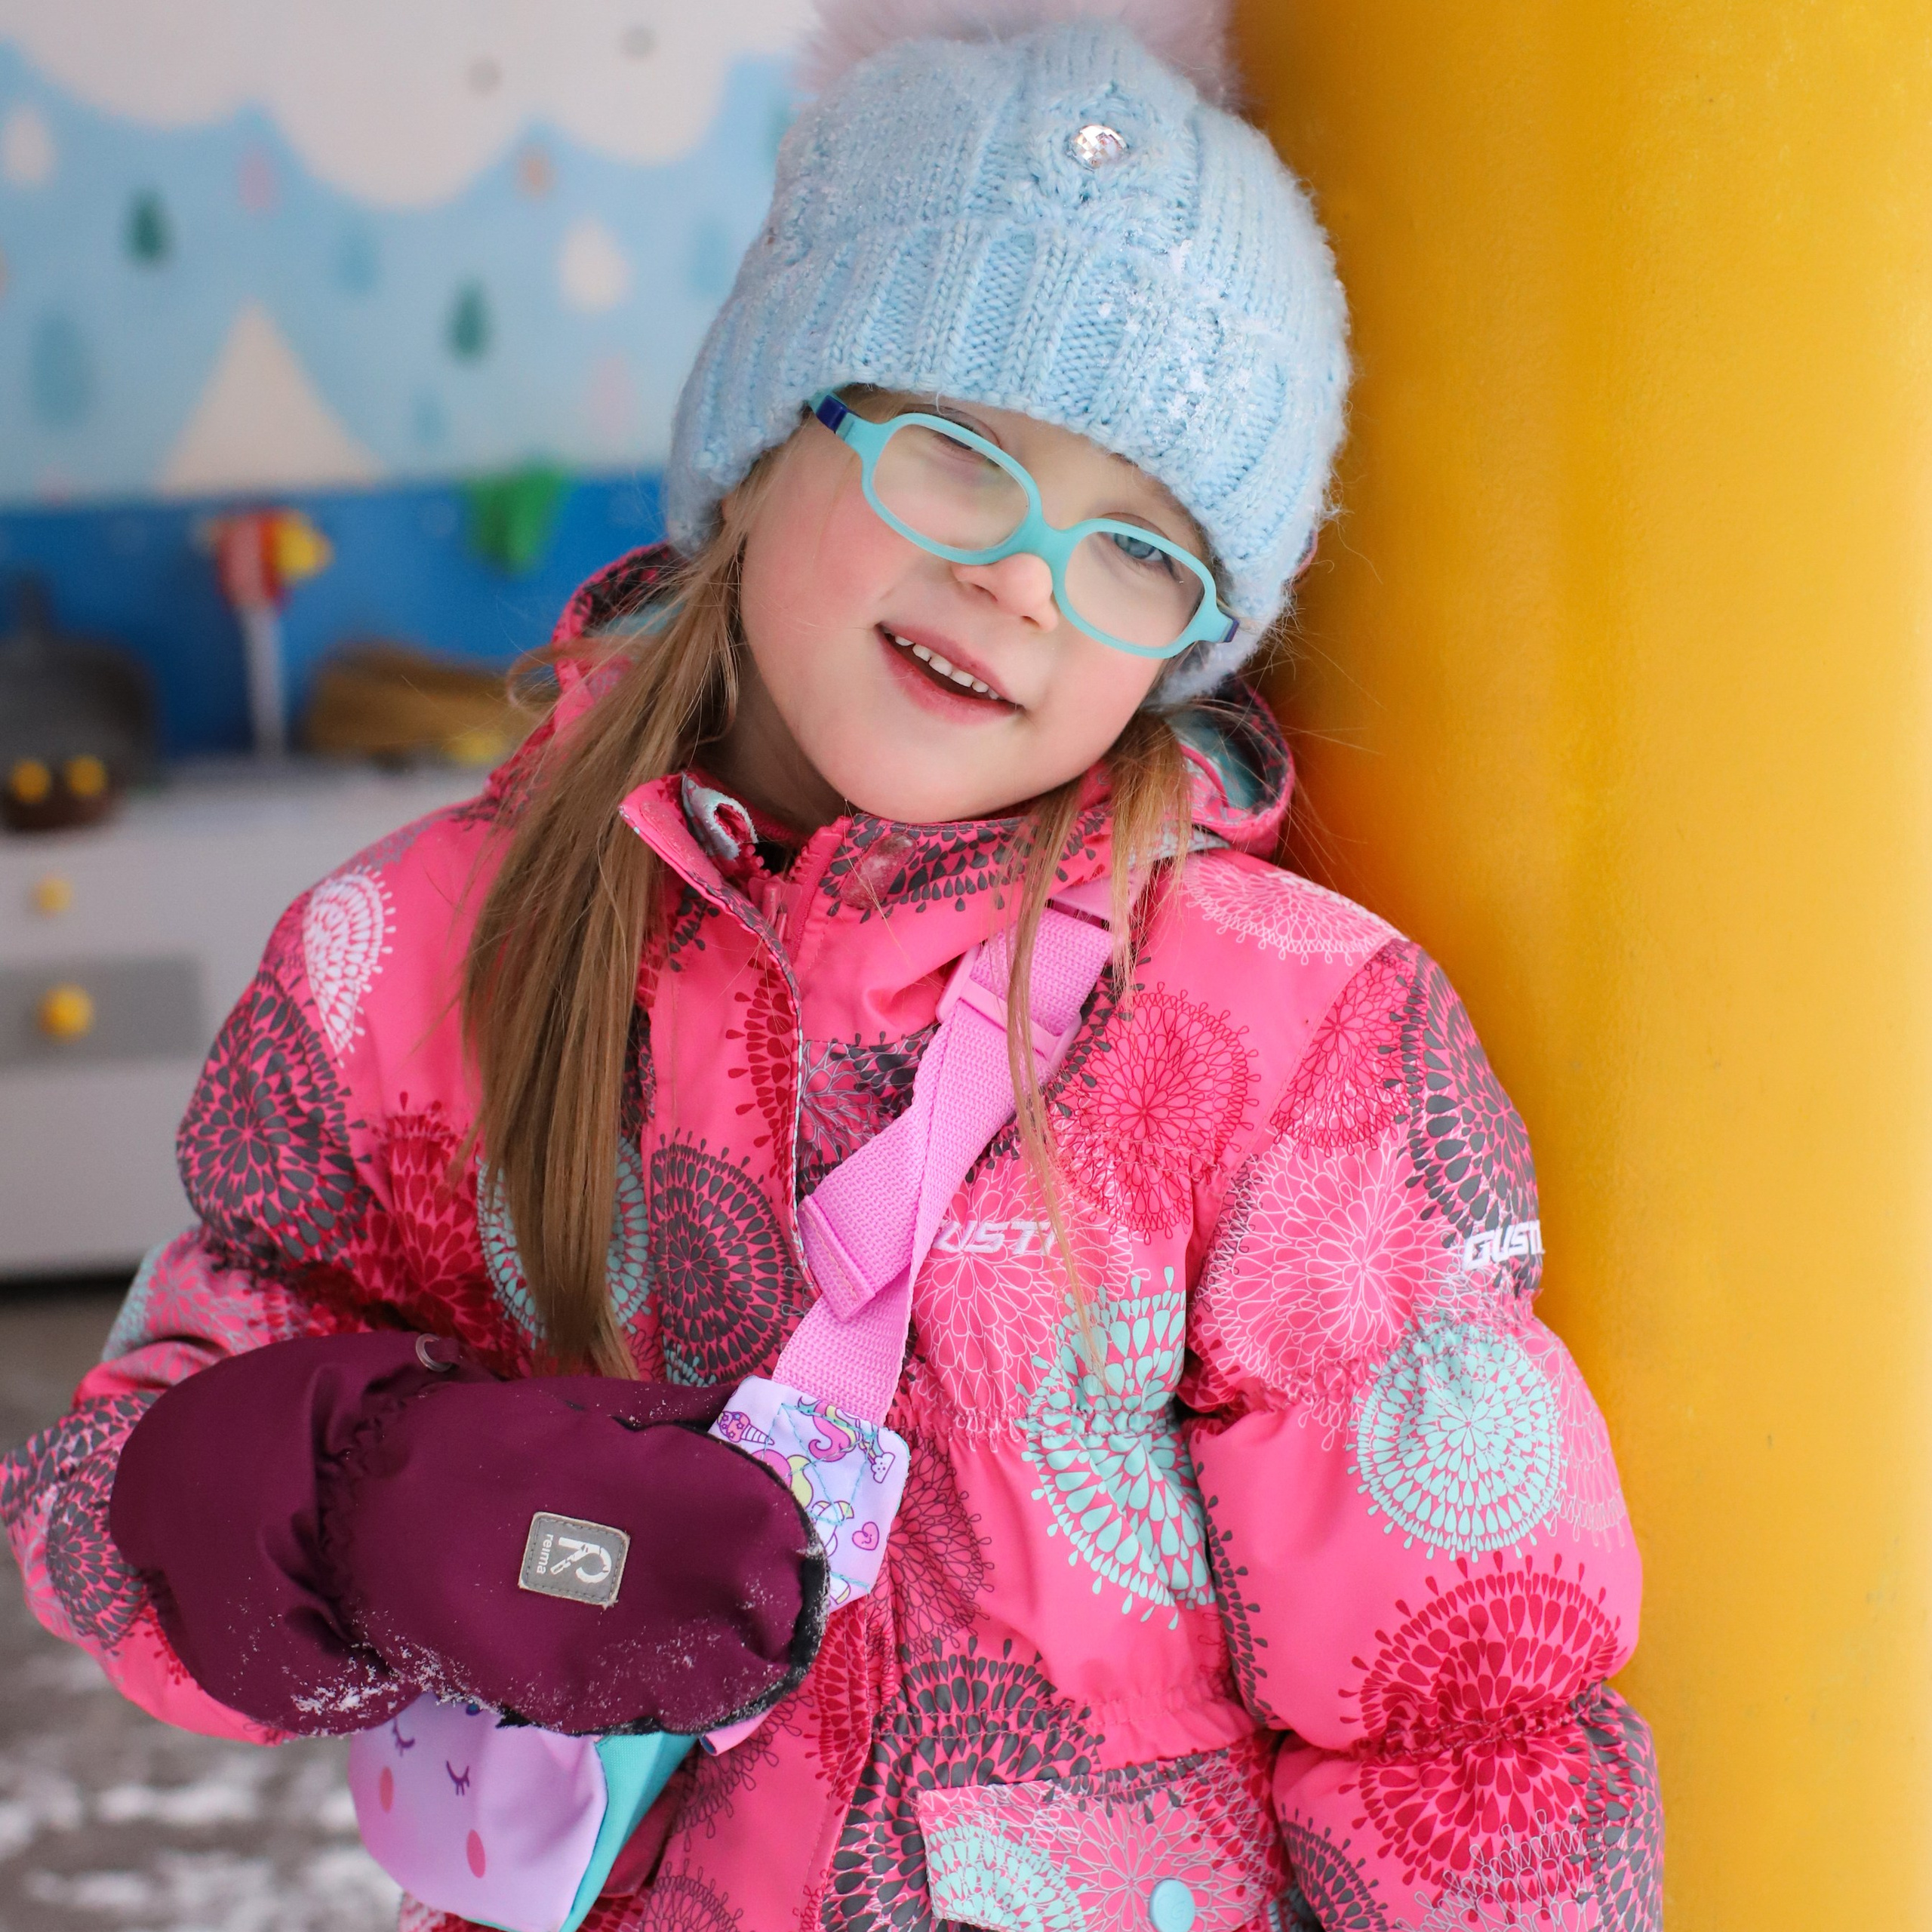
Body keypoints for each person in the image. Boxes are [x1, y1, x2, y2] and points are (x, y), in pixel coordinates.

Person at [0, 5, 1663, 1928]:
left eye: (1142, 550)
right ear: (768, 429)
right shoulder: (422, 959)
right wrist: (374, 1505)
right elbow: (99, 1498)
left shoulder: (1288, 1032)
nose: (1026, 580)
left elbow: (1455, 1706)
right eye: (962, 452)